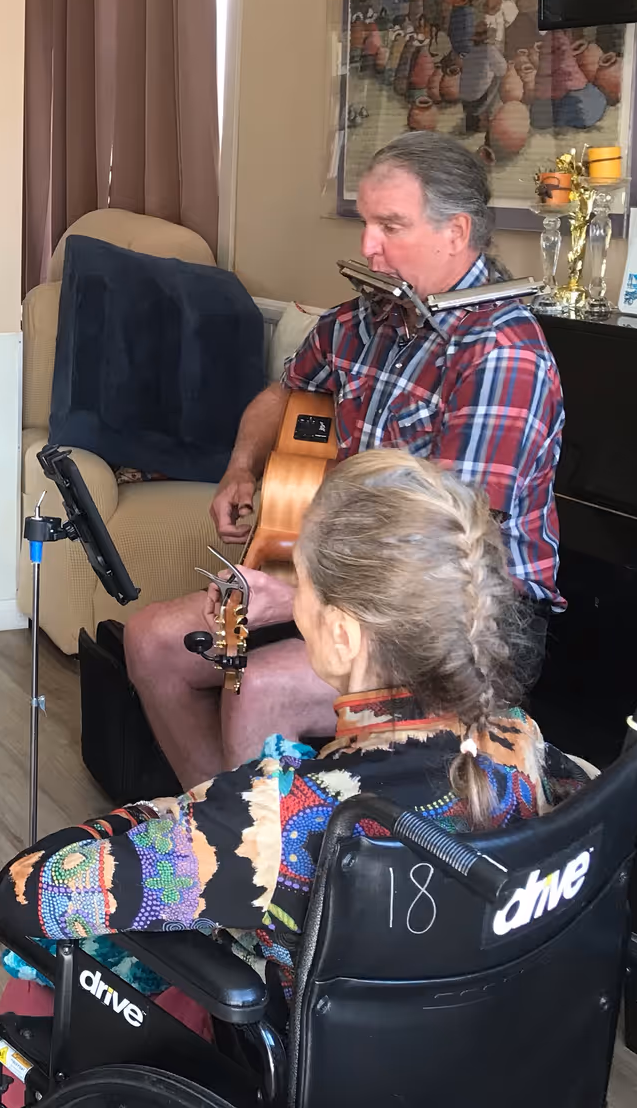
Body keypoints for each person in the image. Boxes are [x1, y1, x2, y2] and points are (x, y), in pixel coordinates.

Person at [0, 455, 587, 1106]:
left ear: (342, 636)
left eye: (303, 585)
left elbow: (26, 892)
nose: (295, 602)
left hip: (289, 1065)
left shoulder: (278, 821)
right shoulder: (518, 743)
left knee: (63, 939)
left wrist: (164, 814)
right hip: (464, 1059)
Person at [127, 132, 565, 789]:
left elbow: (441, 546)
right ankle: (226, 829)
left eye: (391, 225)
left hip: (457, 620)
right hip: (344, 578)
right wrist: (242, 468)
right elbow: (284, 394)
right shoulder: (366, 320)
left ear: (457, 232)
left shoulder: (501, 354)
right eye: (367, 222)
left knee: (260, 689)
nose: (367, 246)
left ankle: (275, 874)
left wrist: (299, 594)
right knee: (151, 641)